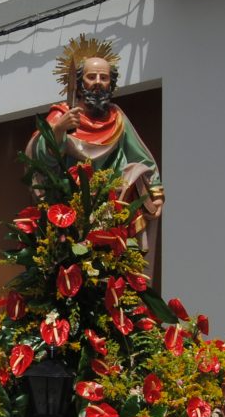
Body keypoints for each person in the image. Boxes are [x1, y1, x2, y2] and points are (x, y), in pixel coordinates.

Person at [28, 36, 163, 272]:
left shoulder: (118, 118)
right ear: (80, 82)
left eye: (104, 77)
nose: (98, 82)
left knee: (116, 273)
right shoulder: (63, 115)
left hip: (115, 210)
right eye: (92, 77)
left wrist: (155, 190)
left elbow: (142, 158)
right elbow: (39, 160)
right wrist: (59, 130)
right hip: (75, 213)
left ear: (111, 83)